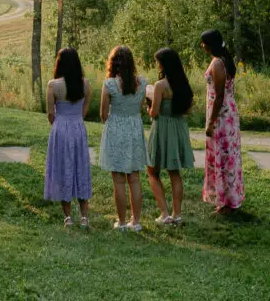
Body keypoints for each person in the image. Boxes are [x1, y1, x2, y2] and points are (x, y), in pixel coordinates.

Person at [99, 44, 148, 231]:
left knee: (118, 179)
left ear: (113, 64)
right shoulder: (142, 83)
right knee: (134, 178)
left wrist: (112, 121)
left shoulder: (109, 84)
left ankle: (120, 222)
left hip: (116, 129)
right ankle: (136, 222)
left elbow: (103, 114)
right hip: (135, 129)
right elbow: (140, 106)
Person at [146, 47, 194, 225]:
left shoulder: (160, 86)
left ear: (164, 64)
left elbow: (154, 113)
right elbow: (188, 109)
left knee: (152, 170)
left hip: (162, 128)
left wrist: (148, 105)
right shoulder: (183, 84)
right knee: (174, 172)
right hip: (178, 127)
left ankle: (164, 213)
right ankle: (177, 214)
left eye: (158, 62)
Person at [44, 47, 92, 228]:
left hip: (60, 128)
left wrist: (58, 124)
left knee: (63, 168)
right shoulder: (85, 84)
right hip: (78, 127)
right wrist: (76, 120)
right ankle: (85, 216)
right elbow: (84, 110)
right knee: (81, 167)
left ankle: (68, 217)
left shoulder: (53, 85)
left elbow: (50, 113)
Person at [200, 29, 244, 213]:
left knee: (223, 157)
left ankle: (227, 202)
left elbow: (219, 96)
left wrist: (210, 123)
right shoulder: (225, 59)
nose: (202, 46)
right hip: (228, 114)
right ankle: (228, 200)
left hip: (222, 116)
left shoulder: (218, 63)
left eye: (203, 43)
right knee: (227, 157)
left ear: (210, 45)